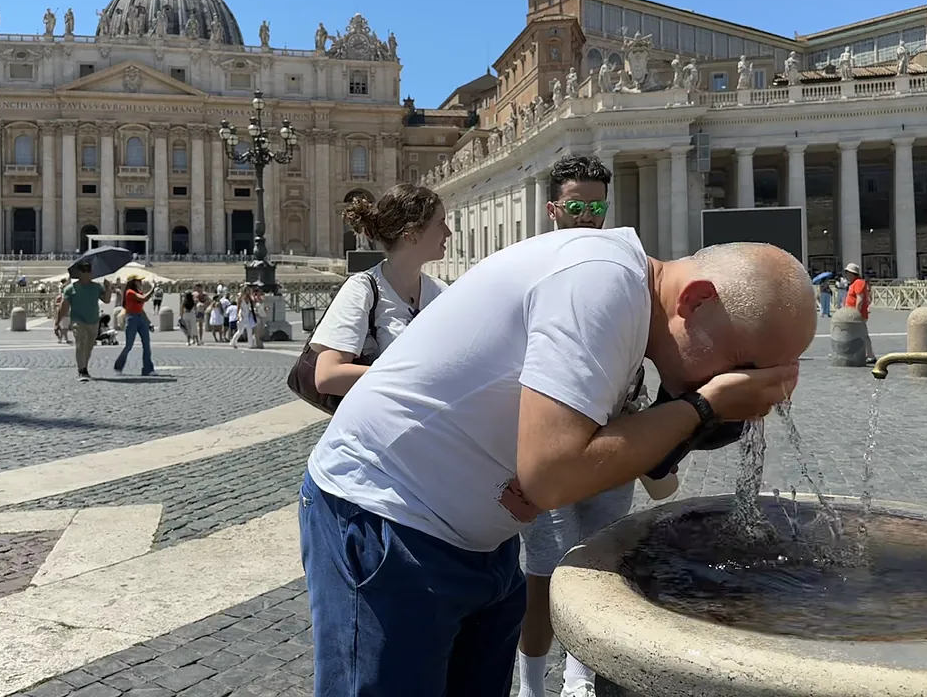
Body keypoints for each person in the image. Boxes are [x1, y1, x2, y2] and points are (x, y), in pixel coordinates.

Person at [299, 233, 816, 697]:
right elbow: (553, 475)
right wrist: (705, 404)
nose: (752, 386)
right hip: (387, 522)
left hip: (478, 543)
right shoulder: (600, 282)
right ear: (696, 299)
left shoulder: (626, 301)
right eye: (746, 366)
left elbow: (566, 457)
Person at [517, 156, 630, 697]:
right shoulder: (528, 266)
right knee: (542, 575)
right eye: (577, 206)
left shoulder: (624, 263)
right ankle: (534, 689)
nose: (588, 216)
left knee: (599, 565)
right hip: (547, 438)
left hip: (613, 440)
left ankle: (579, 678)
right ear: (554, 209)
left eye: (597, 206)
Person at [311, 184, 450, 398]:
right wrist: (417, 378)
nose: (448, 232)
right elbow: (328, 375)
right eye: (440, 223)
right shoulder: (362, 290)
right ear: (412, 234)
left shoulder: (442, 292)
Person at [54, 261, 111, 382]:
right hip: (78, 320)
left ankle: (84, 366)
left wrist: (108, 288)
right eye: (84, 270)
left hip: (94, 321)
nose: (87, 273)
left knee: (89, 346)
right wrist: (57, 323)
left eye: (89, 270)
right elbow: (63, 307)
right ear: (79, 273)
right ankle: (82, 370)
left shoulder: (96, 287)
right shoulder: (70, 289)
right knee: (81, 342)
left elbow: (106, 300)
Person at [113, 276, 156, 376]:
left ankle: (148, 369)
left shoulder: (137, 293)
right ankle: (118, 365)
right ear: (133, 282)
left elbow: (141, 309)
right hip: (132, 319)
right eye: (139, 281)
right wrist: (152, 288)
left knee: (146, 344)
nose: (141, 282)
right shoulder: (130, 292)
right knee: (129, 345)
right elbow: (144, 298)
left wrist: (149, 323)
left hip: (140, 318)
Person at [842, 261, 875, 364]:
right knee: (854, 334)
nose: (846, 275)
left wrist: (856, 314)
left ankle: (870, 355)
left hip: (857, 314)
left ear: (852, 274)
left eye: (847, 273)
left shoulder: (858, 283)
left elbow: (860, 299)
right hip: (852, 314)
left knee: (862, 335)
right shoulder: (853, 283)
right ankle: (851, 354)